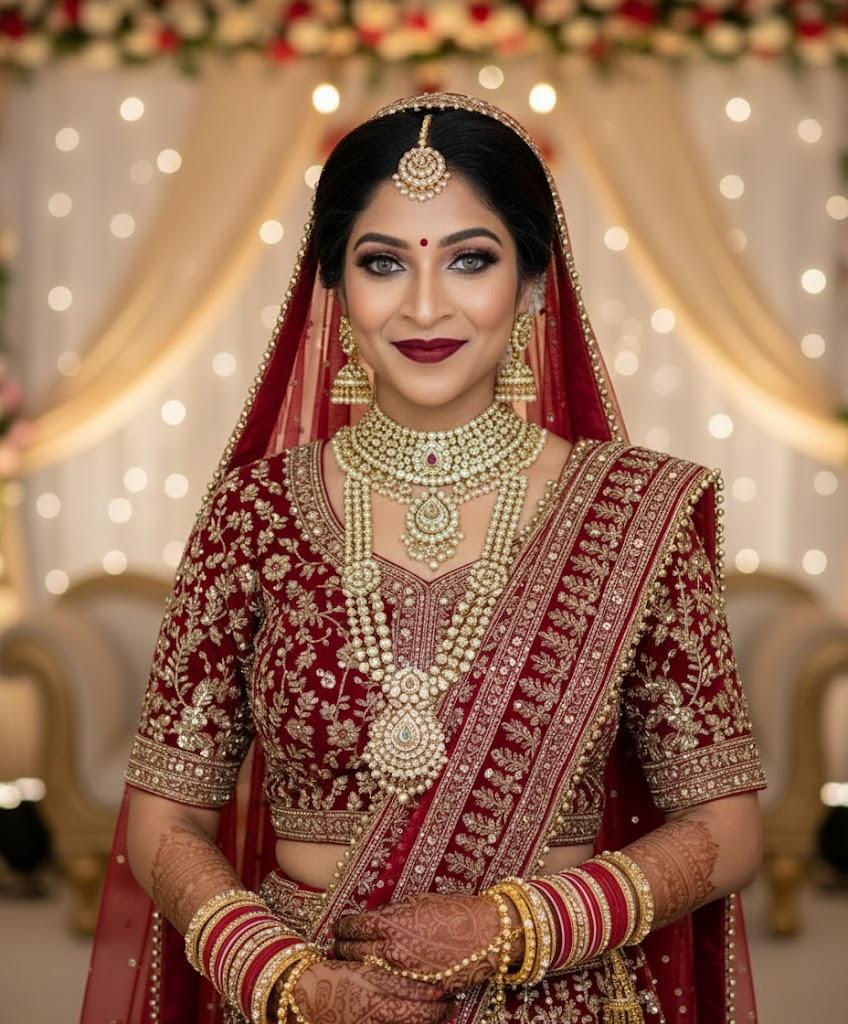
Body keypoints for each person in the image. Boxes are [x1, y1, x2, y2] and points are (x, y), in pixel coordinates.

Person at [80, 91, 767, 1024]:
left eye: (470, 259)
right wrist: (287, 978)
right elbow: (166, 819)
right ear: (336, 288)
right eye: (383, 263)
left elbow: (725, 829)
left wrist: (517, 924)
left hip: (553, 999)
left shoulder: (636, 512)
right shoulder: (253, 512)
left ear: (531, 284)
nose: (427, 305)